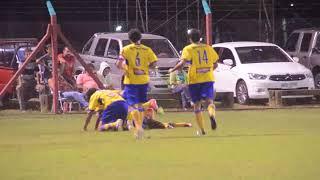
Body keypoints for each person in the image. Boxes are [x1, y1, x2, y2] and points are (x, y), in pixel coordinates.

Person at [169, 28, 219, 135]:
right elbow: (215, 64)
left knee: (197, 105)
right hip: (208, 78)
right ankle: (211, 115)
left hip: (195, 79)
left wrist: (172, 70)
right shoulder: (208, 48)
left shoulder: (188, 48)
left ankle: (202, 130)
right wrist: (209, 70)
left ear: (190, 39)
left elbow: (182, 64)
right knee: (210, 101)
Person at [116, 28, 158, 139]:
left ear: (129, 38)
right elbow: (154, 63)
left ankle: (138, 127)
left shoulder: (125, 49)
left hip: (131, 81)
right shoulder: (147, 49)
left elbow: (118, 64)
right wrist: (146, 68)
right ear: (140, 38)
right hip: (143, 80)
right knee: (140, 105)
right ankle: (140, 128)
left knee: (131, 105)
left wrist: (126, 69)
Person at [127, 99, 192, 130]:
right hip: (137, 121)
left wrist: (183, 124)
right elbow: (153, 101)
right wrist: (157, 109)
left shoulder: (148, 110)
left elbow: (153, 121)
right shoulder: (146, 106)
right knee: (156, 123)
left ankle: (184, 124)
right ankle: (167, 126)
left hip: (140, 123)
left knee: (156, 124)